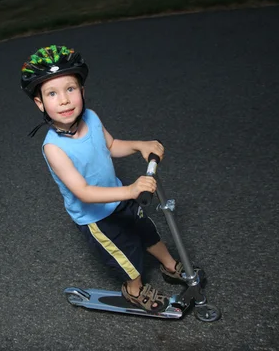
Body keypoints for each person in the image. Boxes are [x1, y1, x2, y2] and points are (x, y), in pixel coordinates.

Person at [20, 45, 196, 312]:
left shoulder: (90, 117)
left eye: (70, 89)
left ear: (82, 91)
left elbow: (111, 146)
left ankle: (170, 266)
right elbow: (84, 192)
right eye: (52, 93)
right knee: (127, 255)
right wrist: (131, 190)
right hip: (96, 217)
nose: (64, 100)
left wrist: (139, 145)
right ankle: (134, 290)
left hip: (120, 197)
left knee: (147, 232)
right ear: (40, 103)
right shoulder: (54, 148)